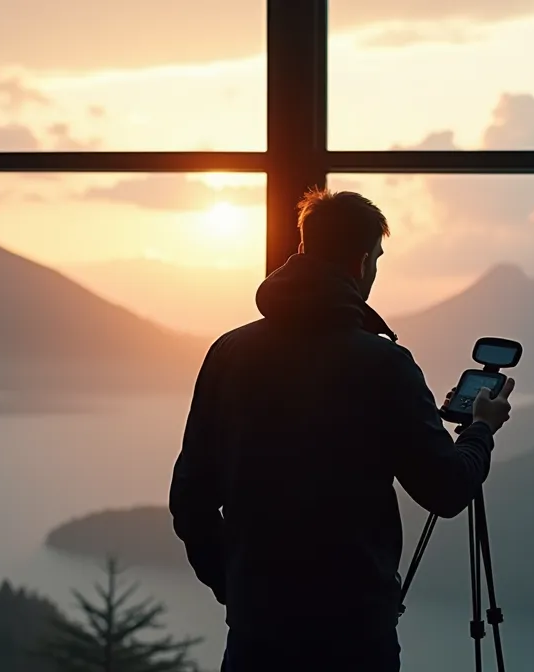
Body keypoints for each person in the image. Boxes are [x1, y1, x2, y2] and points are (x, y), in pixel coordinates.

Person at [168, 187, 516, 671]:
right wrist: (481, 429)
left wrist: (235, 586)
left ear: (305, 249)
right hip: (354, 639)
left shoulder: (230, 353)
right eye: (375, 256)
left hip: (255, 637)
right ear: (360, 262)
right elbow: (447, 490)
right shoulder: (384, 365)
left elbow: (190, 497)